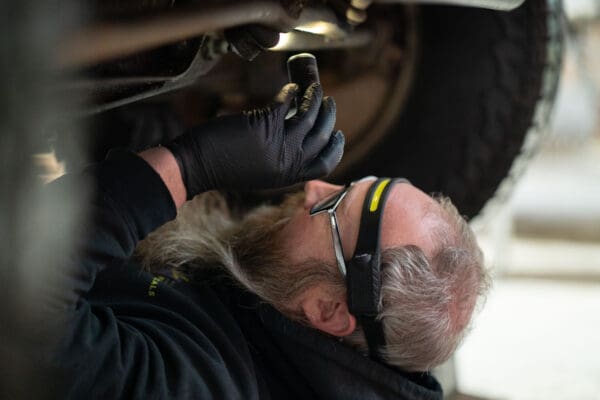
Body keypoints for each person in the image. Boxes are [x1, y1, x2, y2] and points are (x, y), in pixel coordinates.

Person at [45, 80, 489, 400]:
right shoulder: (280, 304)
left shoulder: (202, 387)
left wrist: (184, 168)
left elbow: (25, 307)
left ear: (327, 309)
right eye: (354, 182)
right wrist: (144, 154)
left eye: (333, 208)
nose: (316, 188)